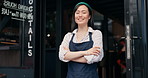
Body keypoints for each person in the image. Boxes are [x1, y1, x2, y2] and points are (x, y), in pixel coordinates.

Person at [59, 2, 104, 78]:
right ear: (74, 16)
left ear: (89, 16)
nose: (80, 15)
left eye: (84, 12)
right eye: (77, 13)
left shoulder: (96, 34)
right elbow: (61, 56)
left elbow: (96, 57)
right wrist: (86, 52)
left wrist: (70, 56)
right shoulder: (68, 36)